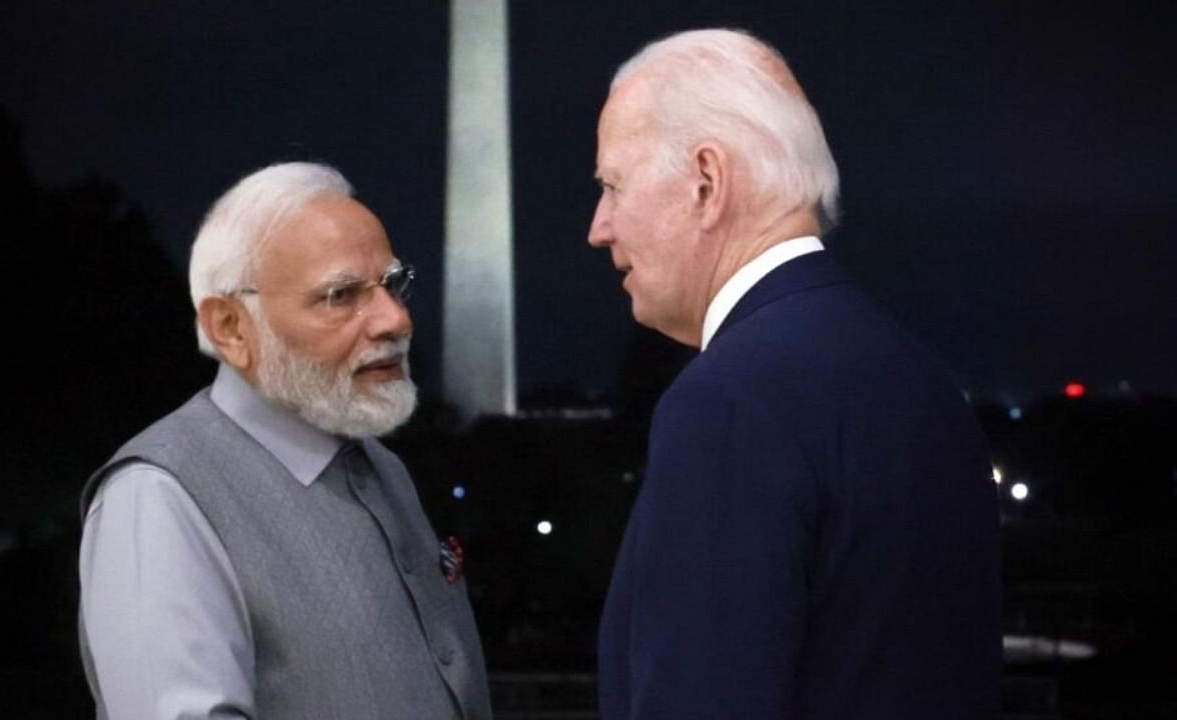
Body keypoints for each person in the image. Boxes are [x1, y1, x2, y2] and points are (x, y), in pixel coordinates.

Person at [587, 29, 1001, 719]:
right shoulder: (923, 381)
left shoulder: (728, 401)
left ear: (706, 183)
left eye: (613, 185)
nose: (599, 227)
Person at [78, 162, 492, 720]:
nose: (395, 319)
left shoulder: (384, 468)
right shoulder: (156, 498)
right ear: (230, 327)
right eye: (341, 295)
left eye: (393, 285)